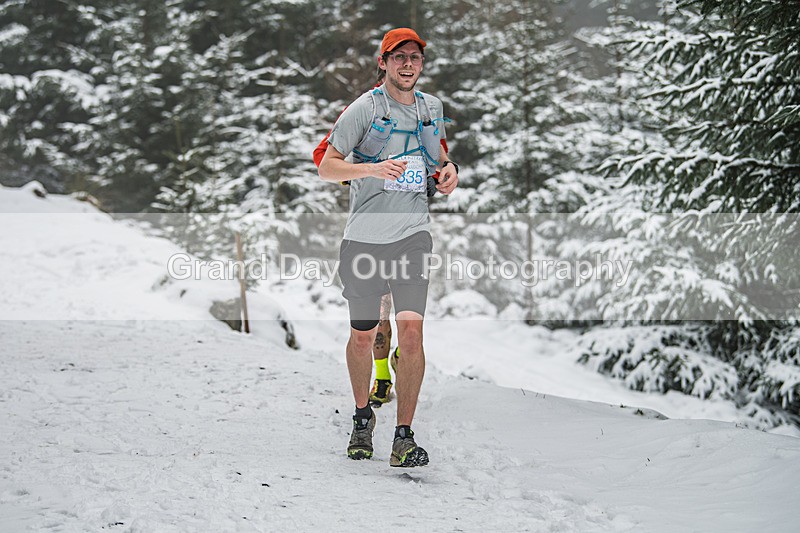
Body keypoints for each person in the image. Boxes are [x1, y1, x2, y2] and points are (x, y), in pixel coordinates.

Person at [318, 27, 459, 467]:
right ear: (383, 63)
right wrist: (372, 170)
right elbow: (326, 167)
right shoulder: (365, 108)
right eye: (398, 58)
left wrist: (449, 171)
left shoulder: (431, 108)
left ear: (421, 64)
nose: (407, 65)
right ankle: (363, 419)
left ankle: (404, 437)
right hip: (364, 240)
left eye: (414, 58)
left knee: (412, 332)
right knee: (364, 337)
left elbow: (438, 160)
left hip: (413, 236)